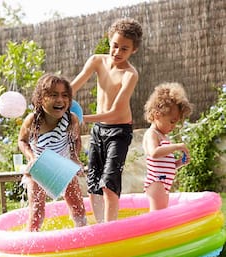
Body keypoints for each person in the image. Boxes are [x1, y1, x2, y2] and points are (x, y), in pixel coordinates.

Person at [71, 18, 143, 223]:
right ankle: (100, 226)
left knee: (109, 182)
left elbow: (113, 112)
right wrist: (55, 100)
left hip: (119, 131)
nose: (118, 52)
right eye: (115, 45)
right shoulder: (96, 61)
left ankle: (110, 230)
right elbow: (72, 88)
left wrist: (82, 118)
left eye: (125, 49)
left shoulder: (130, 74)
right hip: (98, 130)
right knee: (93, 181)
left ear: (133, 51)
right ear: (109, 40)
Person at [18, 73, 87, 231]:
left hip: (63, 165)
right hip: (40, 167)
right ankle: (31, 242)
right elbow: (22, 141)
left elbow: (76, 140)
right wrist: (32, 158)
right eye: (53, 95)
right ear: (41, 98)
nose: (60, 100)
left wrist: (75, 158)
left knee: (77, 206)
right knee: (36, 211)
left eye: (64, 95)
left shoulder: (71, 119)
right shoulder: (33, 120)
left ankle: (82, 236)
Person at [143, 82, 193, 211]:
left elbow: (165, 164)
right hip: (156, 181)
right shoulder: (152, 134)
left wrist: (179, 163)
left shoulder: (164, 137)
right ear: (157, 115)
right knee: (156, 215)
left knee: (162, 212)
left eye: (175, 123)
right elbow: (154, 153)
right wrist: (177, 146)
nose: (173, 127)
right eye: (171, 122)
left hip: (164, 182)